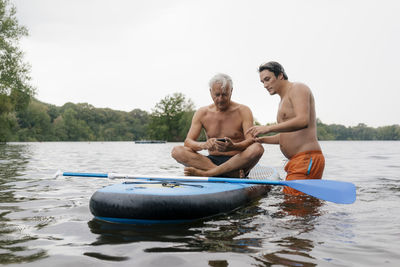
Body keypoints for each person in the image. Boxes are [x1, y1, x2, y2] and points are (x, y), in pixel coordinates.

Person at [246, 61, 325, 195]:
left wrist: (268, 128)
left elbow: (303, 120)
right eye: (262, 82)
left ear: (280, 75)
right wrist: (261, 140)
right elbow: (287, 135)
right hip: (296, 162)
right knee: (298, 207)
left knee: (293, 207)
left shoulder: (298, 88)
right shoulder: (282, 100)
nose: (265, 85)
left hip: (306, 159)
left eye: (267, 79)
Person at [171, 73, 264, 178]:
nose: (220, 99)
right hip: (211, 161)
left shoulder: (243, 111)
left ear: (231, 91)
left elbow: (251, 140)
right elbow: (188, 142)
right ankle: (226, 174)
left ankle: (210, 173)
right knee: (177, 151)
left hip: (237, 161)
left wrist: (234, 146)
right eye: (217, 95)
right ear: (210, 92)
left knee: (257, 148)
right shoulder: (202, 112)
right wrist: (203, 145)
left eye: (224, 94)